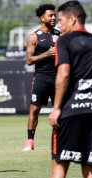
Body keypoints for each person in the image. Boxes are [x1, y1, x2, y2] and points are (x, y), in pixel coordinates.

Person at [48, 1, 92, 178]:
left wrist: (56, 108)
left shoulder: (65, 41)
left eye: (61, 20)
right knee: (91, 173)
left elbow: (63, 74)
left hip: (70, 113)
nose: (58, 25)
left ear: (72, 19)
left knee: (59, 170)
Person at [23, 4, 60, 151]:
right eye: (50, 15)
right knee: (34, 109)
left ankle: (60, 141)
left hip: (58, 78)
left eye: (54, 15)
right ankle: (30, 142)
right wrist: (46, 54)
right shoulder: (34, 36)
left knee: (60, 110)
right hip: (41, 77)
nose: (53, 17)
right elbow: (29, 60)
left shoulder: (60, 35)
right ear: (42, 18)